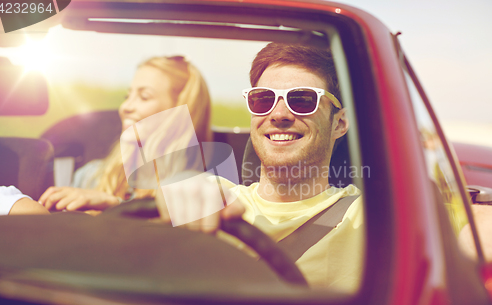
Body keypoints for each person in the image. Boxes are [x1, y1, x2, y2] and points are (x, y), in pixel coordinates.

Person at [156, 43, 364, 291]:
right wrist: (178, 186)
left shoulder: (365, 216)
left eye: (302, 100)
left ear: (340, 123)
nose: (278, 114)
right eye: (263, 99)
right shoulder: (216, 198)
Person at [39, 56, 212, 213]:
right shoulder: (91, 176)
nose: (125, 107)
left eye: (144, 97)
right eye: (127, 96)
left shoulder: (196, 189)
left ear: (178, 113)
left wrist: (115, 206)